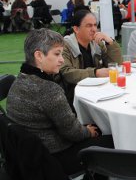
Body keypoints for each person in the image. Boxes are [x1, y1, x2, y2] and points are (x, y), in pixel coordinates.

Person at [6, 28, 114, 177]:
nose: (62, 60)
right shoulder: (48, 89)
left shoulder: (19, 81)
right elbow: (73, 133)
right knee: (112, 141)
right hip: (52, 158)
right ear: (39, 55)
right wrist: (88, 131)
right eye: (57, 54)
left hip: (28, 156)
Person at [60, 10, 122, 104]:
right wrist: (95, 73)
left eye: (95, 25)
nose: (94, 29)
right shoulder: (65, 46)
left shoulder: (97, 43)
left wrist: (110, 42)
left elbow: (116, 64)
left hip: (98, 91)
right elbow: (66, 72)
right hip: (75, 96)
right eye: (89, 26)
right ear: (76, 29)